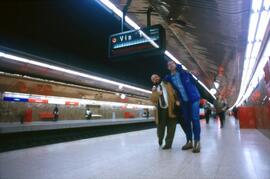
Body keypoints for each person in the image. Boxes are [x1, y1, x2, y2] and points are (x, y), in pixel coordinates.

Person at [165, 60, 201, 153]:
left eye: (172, 63)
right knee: (187, 121)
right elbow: (164, 81)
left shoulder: (184, 72)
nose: (170, 65)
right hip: (184, 102)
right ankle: (189, 141)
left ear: (175, 65)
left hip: (194, 98)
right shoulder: (169, 78)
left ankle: (197, 141)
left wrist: (193, 72)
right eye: (169, 64)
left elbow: (195, 77)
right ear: (168, 67)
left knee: (195, 119)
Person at [150, 74, 179, 150]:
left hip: (171, 108)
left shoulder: (168, 84)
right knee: (160, 128)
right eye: (153, 79)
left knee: (171, 127)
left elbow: (174, 93)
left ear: (159, 77)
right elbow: (153, 100)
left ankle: (168, 144)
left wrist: (177, 101)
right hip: (161, 110)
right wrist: (156, 93)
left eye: (156, 77)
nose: (155, 79)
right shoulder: (154, 88)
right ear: (152, 81)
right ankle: (160, 138)